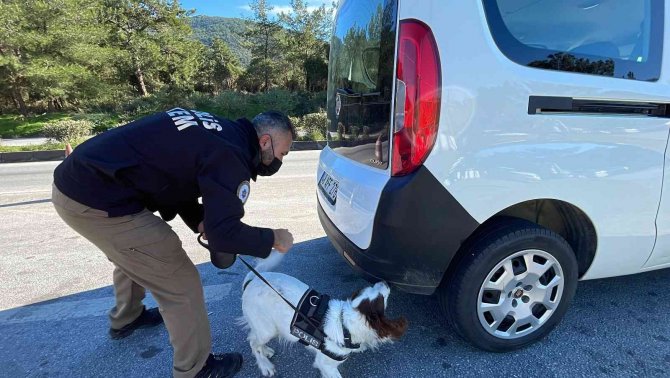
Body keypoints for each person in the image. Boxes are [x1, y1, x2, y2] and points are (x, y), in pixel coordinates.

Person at [51, 108, 295, 378]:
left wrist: (198, 218)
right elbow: (224, 233)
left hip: (82, 180)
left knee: (139, 252)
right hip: (95, 199)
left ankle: (127, 317)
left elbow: (175, 178)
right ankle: (196, 369)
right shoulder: (231, 156)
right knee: (179, 279)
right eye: (282, 153)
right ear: (264, 142)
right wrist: (273, 237)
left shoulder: (220, 131)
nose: (279, 160)